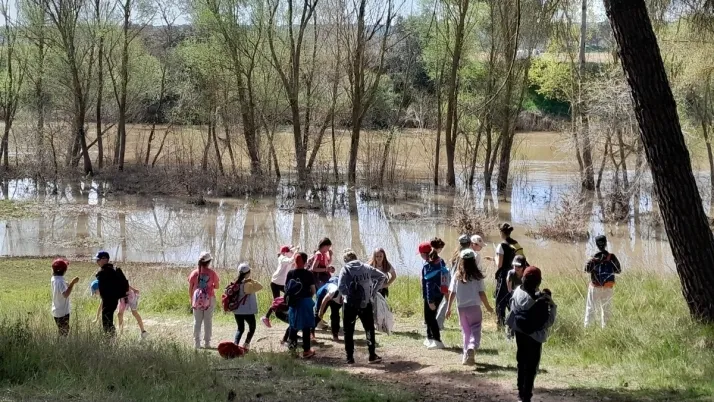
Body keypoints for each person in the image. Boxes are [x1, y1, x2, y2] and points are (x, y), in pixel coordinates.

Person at [507, 266, 557, 402]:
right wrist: (551, 303)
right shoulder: (542, 302)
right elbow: (548, 322)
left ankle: (520, 393)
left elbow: (513, 311)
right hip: (535, 337)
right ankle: (527, 396)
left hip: (520, 333)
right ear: (538, 282)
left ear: (523, 279)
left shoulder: (517, 292)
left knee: (521, 362)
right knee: (531, 367)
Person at [445, 249, 494, 365]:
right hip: (474, 307)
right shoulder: (477, 276)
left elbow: (452, 293)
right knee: (475, 329)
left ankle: (465, 356)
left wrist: (448, 308)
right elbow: (481, 293)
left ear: (461, 261)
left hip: (461, 308)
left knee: (466, 332)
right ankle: (471, 347)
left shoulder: (457, 276)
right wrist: (488, 307)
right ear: (473, 261)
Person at [338, 248, 386, 364]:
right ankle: (372, 355)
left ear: (346, 260)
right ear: (356, 258)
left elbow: (340, 287)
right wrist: (373, 292)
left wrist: (347, 295)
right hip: (365, 303)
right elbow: (382, 276)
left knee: (348, 331)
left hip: (349, 304)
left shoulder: (345, 269)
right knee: (369, 329)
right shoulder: (366, 267)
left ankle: (350, 358)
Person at [584, 235, 622, 328]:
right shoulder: (611, 257)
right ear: (606, 243)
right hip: (608, 287)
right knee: (606, 309)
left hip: (595, 287)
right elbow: (618, 270)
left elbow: (586, 270)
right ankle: (606, 328)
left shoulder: (593, 257)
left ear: (596, 244)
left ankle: (587, 329)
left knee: (590, 308)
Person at [285, 252, 317, 358]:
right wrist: (308, 297)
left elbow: (286, 289)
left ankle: (292, 351)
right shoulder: (309, 274)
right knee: (306, 326)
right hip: (305, 302)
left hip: (293, 303)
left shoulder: (290, 273)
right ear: (305, 261)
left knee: (293, 326)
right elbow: (313, 290)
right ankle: (306, 351)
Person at [494, 223, 525, 328]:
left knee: (500, 301)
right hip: (516, 274)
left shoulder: (501, 245)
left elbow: (499, 265)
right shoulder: (516, 244)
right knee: (512, 298)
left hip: (504, 276)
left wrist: (495, 258)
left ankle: (501, 324)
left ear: (501, 232)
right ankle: (514, 322)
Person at [188, 252, 220, 349]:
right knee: (208, 321)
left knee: (197, 321)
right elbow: (217, 286)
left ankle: (197, 343)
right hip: (209, 299)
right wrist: (211, 285)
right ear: (209, 262)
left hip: (197, 299)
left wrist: (191, 299)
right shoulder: (212, 273)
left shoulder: (194, 273)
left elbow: (190, 288)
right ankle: (207, 343)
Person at [262, 245, 297, 328]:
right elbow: (291, 260)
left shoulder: (287, 259)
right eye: (290, 252)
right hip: (275, 282)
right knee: (276, 301)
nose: (292, 253)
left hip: (281, 283)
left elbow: (292, 264)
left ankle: (287, 312)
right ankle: (266, 317)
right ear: (285, 253)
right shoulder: (282, 258)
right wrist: (296, 251)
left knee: (290, 296)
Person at [95, 251, 129, 335]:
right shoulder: (112, 269)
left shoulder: (107, 271)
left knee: (106, 321)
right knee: (108, 320)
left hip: (109, 300)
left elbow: (100, 277)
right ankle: (111, 337)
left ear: (105, 259)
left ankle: (111, 338)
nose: (97, 262)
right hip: (113, 299)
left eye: (98, 260)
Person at [231, 263, 263, 351]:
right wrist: (251, 280)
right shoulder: (248, 284)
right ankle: (246, 344)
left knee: (240, 329)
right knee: (252, 328)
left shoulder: (235, 283)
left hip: (237, 310)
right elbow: (260, 287)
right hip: (247, 311)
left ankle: (235, 344)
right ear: (248, 273)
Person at [421, 242, 446, 349]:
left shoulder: (429, 265)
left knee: (430, 318)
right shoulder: (440, 261)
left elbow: (429, 283)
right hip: (440, 293)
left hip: (432, 295)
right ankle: (430, 338)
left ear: (424, 254)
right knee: (429, 316)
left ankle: (437, 340)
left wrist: (430, 300)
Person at [50, 259, 79, 336]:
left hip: (56, 310)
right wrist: (72, 283)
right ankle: (62, 344)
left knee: (62, 331)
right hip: (62, 312)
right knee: (64, 333)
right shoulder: (60, 281)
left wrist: (67, 284)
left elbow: (61, 286)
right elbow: (65, 295)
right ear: (64, 270)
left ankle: (60, 342)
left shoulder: (54, 278)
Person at [314, 276, 342, 341]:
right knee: (318, 314)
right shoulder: (334, 290)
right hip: (323, 294)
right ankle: (311, 332)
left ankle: (335, 335)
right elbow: (325, 300)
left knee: (335, 316)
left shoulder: (347, 295)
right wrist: (321, 311)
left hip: (336, 298)